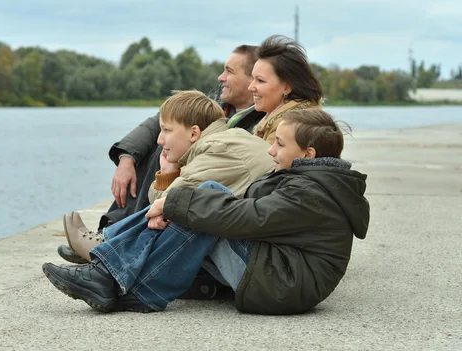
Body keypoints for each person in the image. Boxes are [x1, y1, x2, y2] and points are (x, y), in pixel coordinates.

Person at [42, 109, 370, 314]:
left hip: (281, 287)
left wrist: (172, 202)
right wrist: (176, 203)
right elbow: (248, 212)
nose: (271, 148)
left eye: (280, 144)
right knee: (207, 200)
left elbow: (248, 218)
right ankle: (108, 267)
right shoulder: (309, 182)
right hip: (278, 274)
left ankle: (109, 267)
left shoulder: (310, 193)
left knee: (208, 199)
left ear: (308, 154)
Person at [57, 44, 265, 263]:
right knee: (156, 148)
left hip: (219, 202)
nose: (220, 77)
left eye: (229, 71)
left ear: (252, 79)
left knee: (164, 152)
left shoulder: (262, 120)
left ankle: (113, 246)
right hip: (199, 188)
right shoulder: (214, 105)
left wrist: (169, 175)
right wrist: (127, 157)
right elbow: (156, 123)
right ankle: (111, 236)